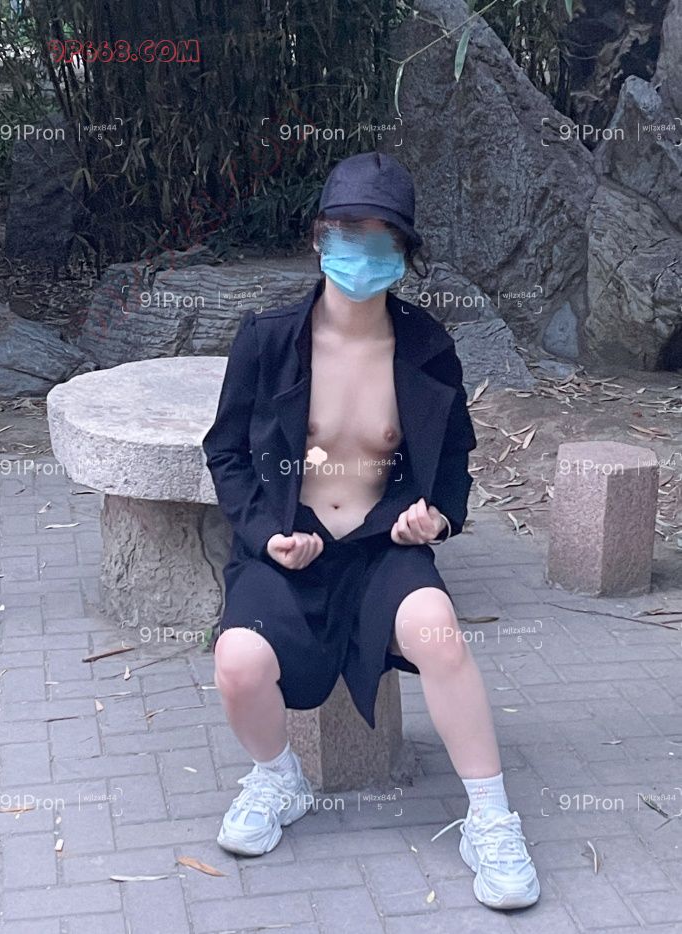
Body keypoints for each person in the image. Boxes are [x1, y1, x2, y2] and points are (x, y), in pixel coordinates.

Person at [202, 151, 540, 910]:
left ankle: (491, 820)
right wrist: (266, 534)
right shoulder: (267, 339)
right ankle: (276, 779)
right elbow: (225, 451)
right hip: (292, 542)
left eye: (382, 238)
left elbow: (454, 455)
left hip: (383, 544)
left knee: (438, 631)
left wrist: (437, 515)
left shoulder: (427, 346)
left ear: (404, 255)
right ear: (319, 237)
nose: (362, 252)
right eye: (348, 232)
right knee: (238, 662)